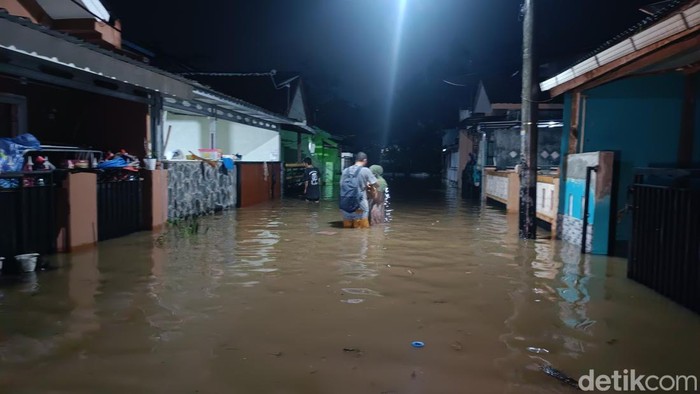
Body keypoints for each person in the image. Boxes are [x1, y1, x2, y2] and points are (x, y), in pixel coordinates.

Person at [339, 152, 378, 228]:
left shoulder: (345, 171)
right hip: (360, 205)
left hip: (345, 203)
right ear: (365, 160)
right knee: (362, 229)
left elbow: (341, 185)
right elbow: (376, 184)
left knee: (347, 229)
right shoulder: (365, 170)